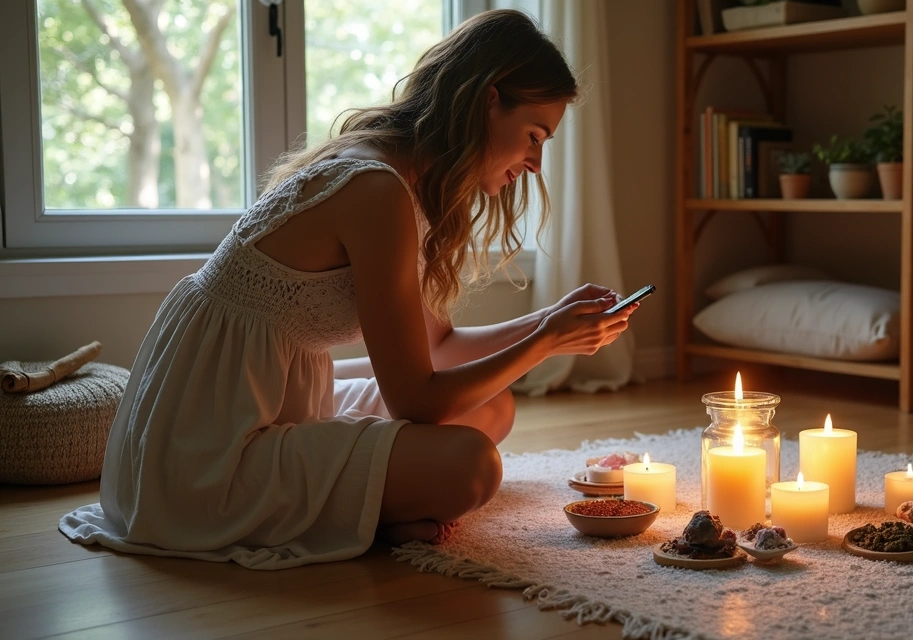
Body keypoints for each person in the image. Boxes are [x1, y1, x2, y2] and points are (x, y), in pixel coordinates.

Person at [59, 9, 636, 570]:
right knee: (471, 467)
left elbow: (442, 344)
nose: (536, 163)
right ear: (488, 100)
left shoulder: (402, 180)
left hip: (278, 400)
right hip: (209, 451)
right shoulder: (375, 190)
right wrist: (545, 343)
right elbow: (418, 398)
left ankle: (369, 511)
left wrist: (550, 324)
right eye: (534, 135)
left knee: (492, 406)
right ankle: (372, 518)